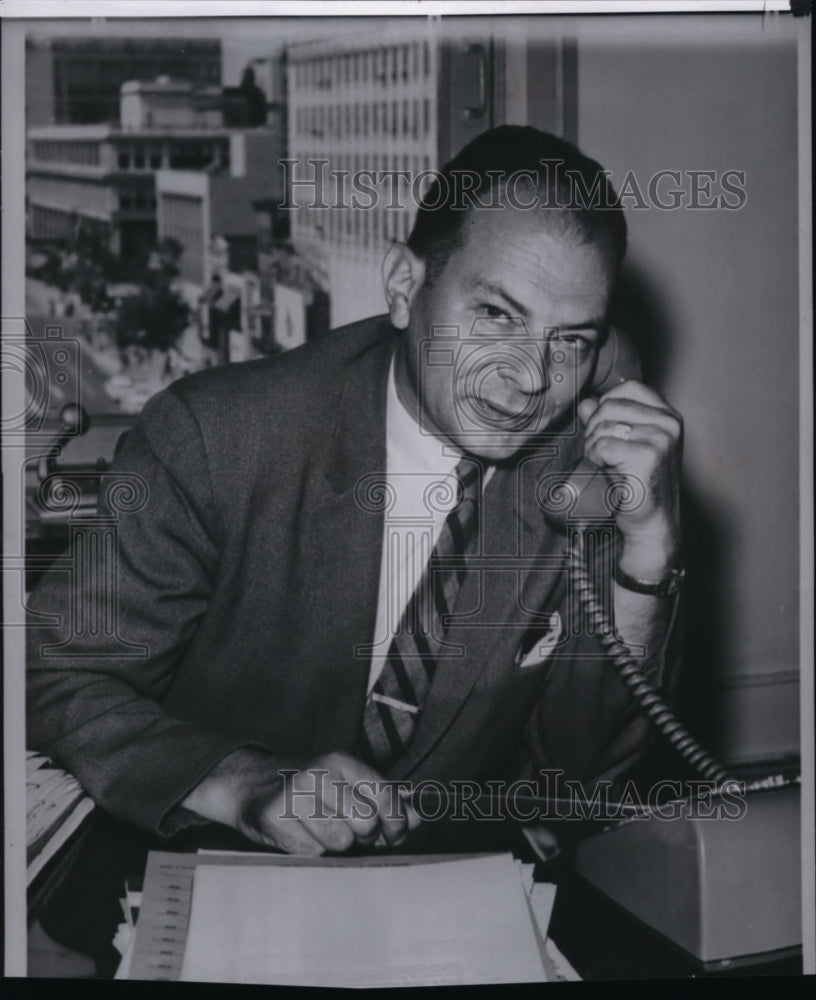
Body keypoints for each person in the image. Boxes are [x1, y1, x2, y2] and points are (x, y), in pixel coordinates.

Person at [27, 126, 683, 862]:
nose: (530, 378)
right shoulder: (217, 438)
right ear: (404, 286)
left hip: (442, 900)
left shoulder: (577, 473)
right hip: (206, 873)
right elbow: (56, 673)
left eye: (572, 341)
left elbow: (580, 791)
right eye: (496, 315)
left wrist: (648, 549)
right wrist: (240, 783)